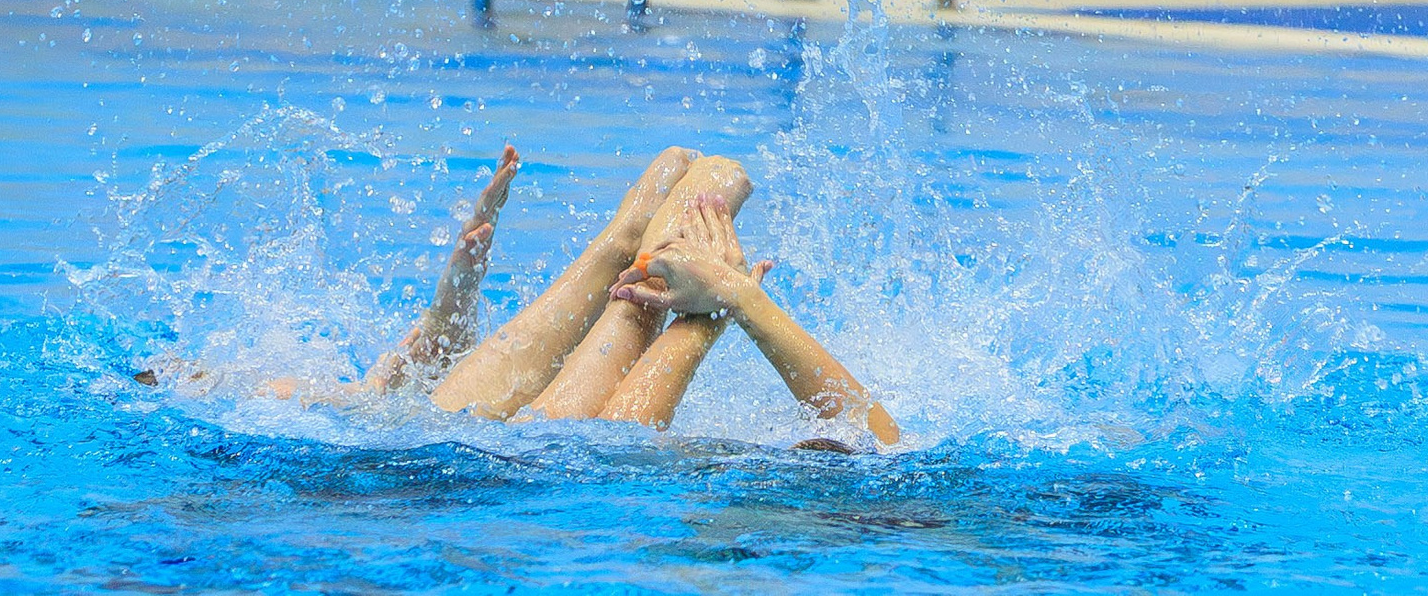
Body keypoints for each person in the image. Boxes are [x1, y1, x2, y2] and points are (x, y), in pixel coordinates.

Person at [146, 146, 899, 448]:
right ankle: (652, 270)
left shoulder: (793, 492)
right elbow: (876, 437)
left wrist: (450, 308)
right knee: (543, 416)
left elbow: (878, 441)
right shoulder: (805, 493)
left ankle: (651, 270)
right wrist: (728, 299)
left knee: (535, 422)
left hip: (544, 457)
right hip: (543, 454)